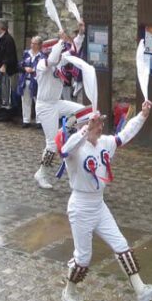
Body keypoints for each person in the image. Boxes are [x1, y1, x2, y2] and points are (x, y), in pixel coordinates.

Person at [56, 101, 152, 301]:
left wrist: (142, 116)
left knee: (121, 245)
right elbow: (65, 149)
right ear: (85, 125)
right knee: (83, 258)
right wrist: (85, 129)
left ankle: (141, 290)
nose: (101, 127)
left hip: (99, 204)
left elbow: (124, 134)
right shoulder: (76, 147)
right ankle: (69, 292)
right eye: (97, 124)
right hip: (80, 206)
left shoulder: (105, 142)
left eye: (100, 124)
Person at [33, 35, 85, 188]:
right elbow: (53, 60)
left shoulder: (61, 59)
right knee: (51, 145)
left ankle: (64, 132)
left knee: (83, 112)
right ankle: (41, 173)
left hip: (56, 102)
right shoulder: (42, 63)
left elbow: (74, 46)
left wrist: (80, 34)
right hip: (45, 106)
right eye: (58, 47)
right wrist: (61, 41)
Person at [0, 18, 19, 113]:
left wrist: (4, 65)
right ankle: (1, 107)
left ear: (1, 27)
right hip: (0, 68)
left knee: (6, 90)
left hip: (6, 70)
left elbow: (9, 55)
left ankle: (8, 109)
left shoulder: (8, 39)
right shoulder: (0, 38)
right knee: (2, 89)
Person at [18, 36, 41, 128]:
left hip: (36, 81)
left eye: (35, 43)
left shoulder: (41, 56)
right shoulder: (26, 53)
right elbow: (20, 65)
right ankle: (26, 120)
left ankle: (39, 121)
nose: (32, 45)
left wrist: (34, 69)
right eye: (32, 43)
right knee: (25, 100)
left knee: (38, 101)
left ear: (39, 45)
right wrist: (24, 68)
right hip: (25, 80)